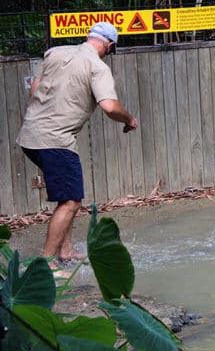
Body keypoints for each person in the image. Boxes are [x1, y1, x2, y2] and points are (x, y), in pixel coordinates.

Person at [16, 21, 138, 279]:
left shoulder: (55, 52)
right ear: (109, 45)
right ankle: (46, 263)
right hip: (55, 140)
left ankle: (67, 249)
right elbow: (109, 106)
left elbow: (36, 87)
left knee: (66, 195)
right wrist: (129, 120)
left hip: (31, 135)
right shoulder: (97, 67)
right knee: (72, 201)